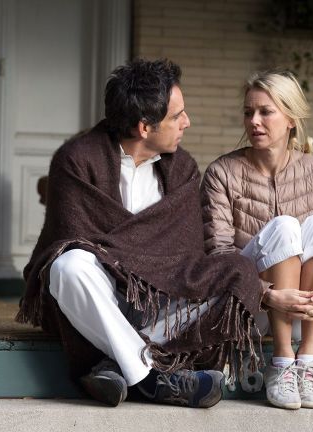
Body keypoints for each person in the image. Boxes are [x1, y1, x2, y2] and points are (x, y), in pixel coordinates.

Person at [17, 59, 263, 408]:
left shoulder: (182, 168)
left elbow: (186, 258)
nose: (187, 122)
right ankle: (150, 379)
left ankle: (115, 363)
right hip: (98, 296)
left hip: (159, 300)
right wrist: (127, 261)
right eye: (177, 116)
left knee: (237, 273)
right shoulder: (77, 160)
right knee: (67, 266)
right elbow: (70, 240)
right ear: (145, 127)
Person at [200, 70, 313, 410]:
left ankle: (307, 360)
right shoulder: (222, 173)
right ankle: (282, 362)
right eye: (248, 112)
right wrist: (267, 294)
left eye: (265, 112)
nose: (253, 121)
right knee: (285, 226)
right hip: (248, 308)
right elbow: (218, 255)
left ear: (291, 119)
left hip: (303, 311)